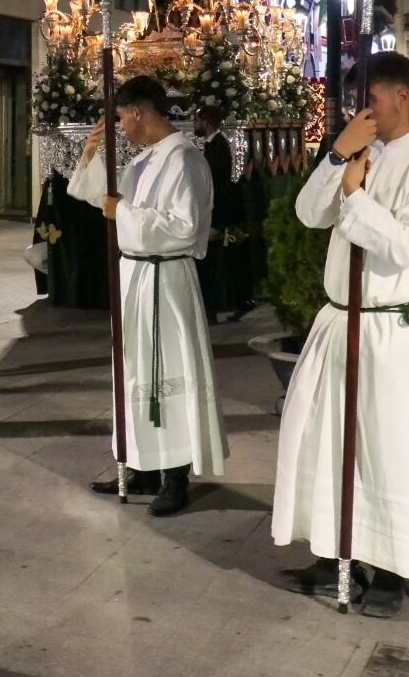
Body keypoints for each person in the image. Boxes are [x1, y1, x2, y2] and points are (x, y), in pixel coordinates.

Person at [273, 52, 409, 619]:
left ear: (400, 97)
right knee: (331, 442)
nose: (357, 112)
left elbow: (404, 245)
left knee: (392, 450)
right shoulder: (358, 154)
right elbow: (310, 214)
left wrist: (357, 196)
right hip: (343, 320)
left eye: (367, 100)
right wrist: (338, 158)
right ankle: (333, 552)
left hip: (397, 331)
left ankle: (390, 568)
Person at [69, 76, 225, 516]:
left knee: (166, 373)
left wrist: (124, 213)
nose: (120, 126)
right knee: (137, 373)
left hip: (166, 279)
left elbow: (183, 227)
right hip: (136, 277)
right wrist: (91, 154)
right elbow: (106, 199)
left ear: (139, 111)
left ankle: (176, 475)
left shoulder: (185, 160)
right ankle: (142, 466)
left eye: (121, 117)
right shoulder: (144, 161)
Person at [193, 105, 253, 318]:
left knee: (216, 263)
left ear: (206, 123)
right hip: (213, 211)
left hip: (217, 212)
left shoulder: (218, 146)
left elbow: (216, 182)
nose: (195, 125)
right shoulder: (211, 145)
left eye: (197, 121)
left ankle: (219, 306)